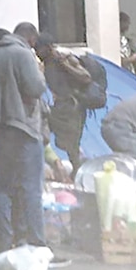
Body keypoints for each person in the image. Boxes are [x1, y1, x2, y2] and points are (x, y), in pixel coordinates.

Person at [0, 23, 48, 252]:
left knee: (2, 187)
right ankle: (36, 241)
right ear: (31, 39)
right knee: (30, 187)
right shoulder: (24, 55)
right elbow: (36, 88)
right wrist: (40, 72)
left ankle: (6, 241)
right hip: (24, 128)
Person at [35, 33, 99, 173]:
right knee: (55, 138)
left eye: (38, 48)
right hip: (59, 106)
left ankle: (79, 170)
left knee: (71, 145)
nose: (37, 52)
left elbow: (85, 77)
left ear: (48, 47)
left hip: (72, 106)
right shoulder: (45, 63)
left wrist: (64, 65)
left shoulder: (65, 59)